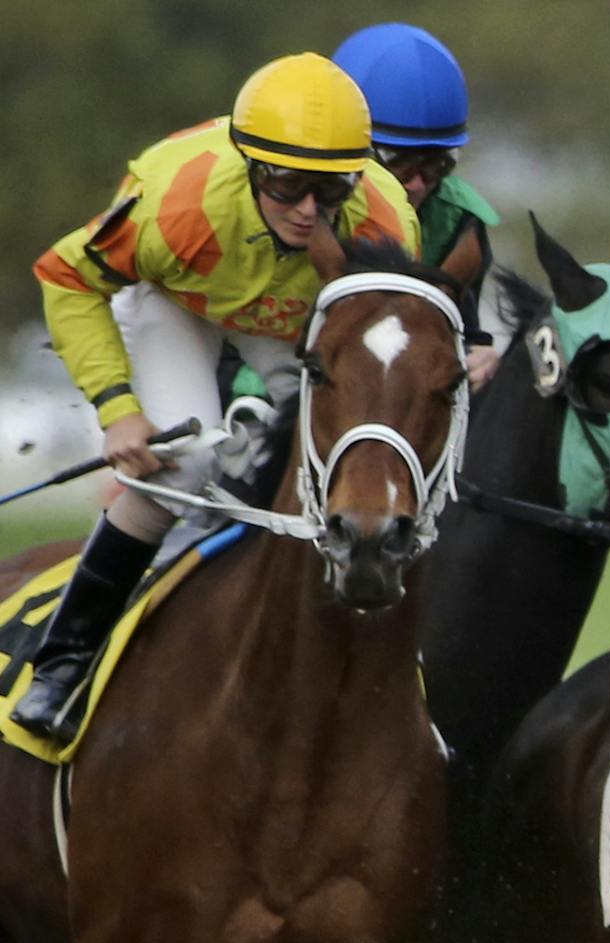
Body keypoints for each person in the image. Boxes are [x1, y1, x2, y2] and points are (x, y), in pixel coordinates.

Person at [13, 54, 417, 743]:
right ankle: (64, 659)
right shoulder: (178, 208)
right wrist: (119, 412)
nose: (309, 210)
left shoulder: (384, 226)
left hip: (292, 325)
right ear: (252, 167)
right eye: (287, 184)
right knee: (188, 465)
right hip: (181, 303)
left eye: (331, 188)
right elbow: (67, 277)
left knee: (336, 472)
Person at [332, 22, 502, 388]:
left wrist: (481, 356)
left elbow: (465, 330)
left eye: (437, 164)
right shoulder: (307, 205)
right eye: (399, 162)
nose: (418, 184)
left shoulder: (461, 220)